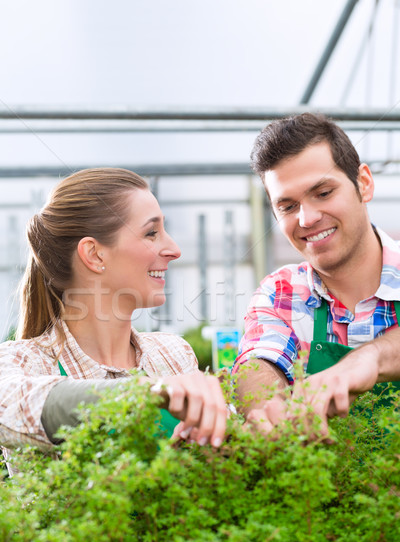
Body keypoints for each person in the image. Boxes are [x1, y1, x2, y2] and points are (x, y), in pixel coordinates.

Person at [0, 168, 227, 474]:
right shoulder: (23, 362)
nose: (174, 249)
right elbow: (14, 406)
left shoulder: (173, 355)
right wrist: (148, 394)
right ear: (94, 255)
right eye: (151, 233)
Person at [233, 112, 400, 434]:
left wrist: (369, 359)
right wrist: (265, 410)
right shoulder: (280, 290)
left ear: (363, 183)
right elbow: (260, 358)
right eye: (288, 206)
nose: (307, 219)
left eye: (323, 193)